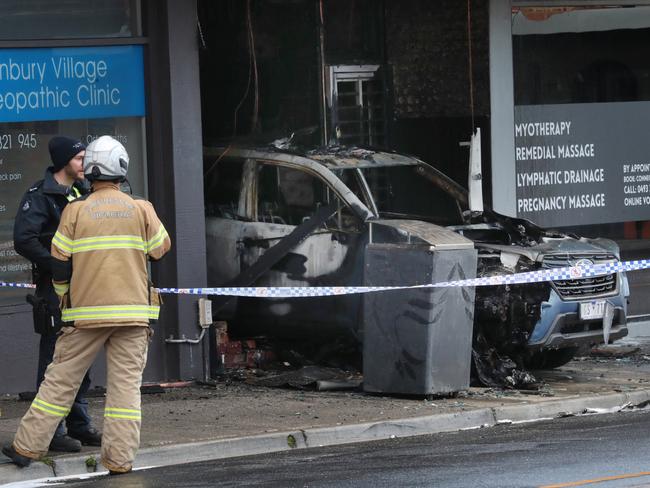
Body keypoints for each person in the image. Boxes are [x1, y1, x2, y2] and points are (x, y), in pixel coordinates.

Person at [3, 135, 171, 473]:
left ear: (91, 170)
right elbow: (160, 248)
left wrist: (65, 294)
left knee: (60, 380)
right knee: (125, 391)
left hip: (84, 315)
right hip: (133, 314)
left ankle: (26, 447)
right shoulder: (142, 208)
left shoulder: (75, 210)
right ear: (122, 169)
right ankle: (120, 462)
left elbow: (60, 261)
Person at [12, 136, 101, 452]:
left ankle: (79, 424)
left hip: (84, 286)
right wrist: (56, 264)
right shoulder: (41, 195)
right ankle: (52, 431)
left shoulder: (83, 192)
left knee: (82, 356)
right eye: (80, 159)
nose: (85, 164)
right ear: (65, 162)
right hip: (55, 289)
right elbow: (24, 239)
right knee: (55, 359)